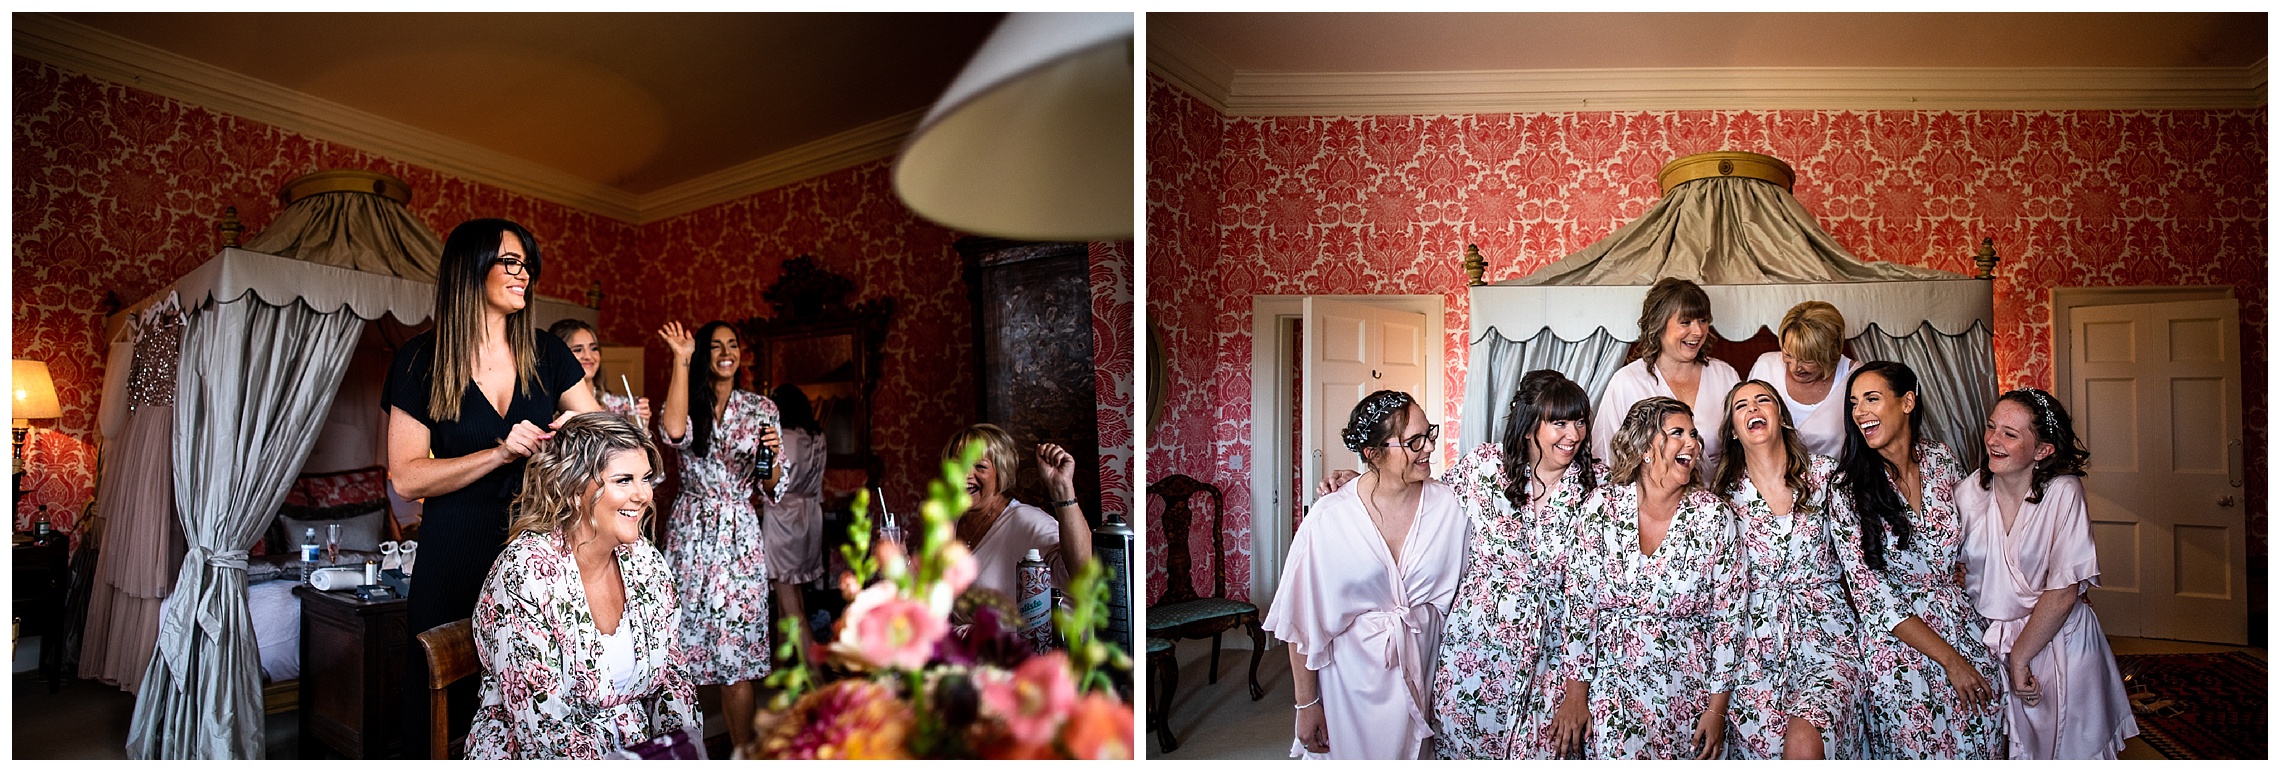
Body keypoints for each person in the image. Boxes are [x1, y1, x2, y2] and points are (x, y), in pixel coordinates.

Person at [386, 218, 602, 756]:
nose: (523, 273)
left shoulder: (548, 355)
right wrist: (499, 452)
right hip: (451, 555)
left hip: (537, 559)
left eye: (527, 263)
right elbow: (407, 476)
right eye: (510, 261)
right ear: (469, 268)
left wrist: (572, 436)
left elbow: (601, 437)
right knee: (441, 701)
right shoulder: (419, 360)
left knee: (531, 702)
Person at [466, 412, 699, 759]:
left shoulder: (646, 562)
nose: (643, 495)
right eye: (623, 480)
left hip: (639, 754)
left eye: (645, 478)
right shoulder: (524, 575)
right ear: (576, 490)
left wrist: (680, 753)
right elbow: (542, 726)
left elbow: (673, 678)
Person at [1265, 390, 1472, 759]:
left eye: (1430, 434)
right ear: (1372, 453)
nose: (1428, 449)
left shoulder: (1451, 506)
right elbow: (1300, 622)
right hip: (1350, 683)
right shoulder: (1329, 518)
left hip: (1424, 673)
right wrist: (1305, 704)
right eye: (1413, 441)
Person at [1830, 360, 2004, 759]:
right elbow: (1873, 596)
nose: (1859, 412)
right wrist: (1950, 660)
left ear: (1907, 401)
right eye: (1854, 403)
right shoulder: (1847, 488)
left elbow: (1971, 532)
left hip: (1963, 620)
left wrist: (1961, 567)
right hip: (1899, 643)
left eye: (1872, 399)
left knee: (1986, 724)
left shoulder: (1941, 461)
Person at [1431, 370, 1602, 759]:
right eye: (1558, 422)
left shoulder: (1598, 488)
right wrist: (1360, 481)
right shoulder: (1483, 468)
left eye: (1578, 421)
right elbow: (1423, 504)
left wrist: (1577, 691)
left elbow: (1594, 592)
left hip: (1556, 657)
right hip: (1478, 647)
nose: (1573, 434)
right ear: (1528, 427)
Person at [1958, 388, 2137, 759]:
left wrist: (2021, 657)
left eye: (2010, 433)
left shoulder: (2063, 492)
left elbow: (2063, 590)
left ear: (2043, 450)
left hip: (2058, 640)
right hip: (1988, 640)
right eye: (1992, 427)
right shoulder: (1968, 491)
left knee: (2063, 750)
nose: (1993, 439)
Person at [1560, 396, 1740, 759]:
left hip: (1687, 691)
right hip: (1611, 690)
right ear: (1644, 447)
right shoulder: (1601, 509)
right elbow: (1580, 607)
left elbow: (1729, 618)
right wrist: (1575, 694)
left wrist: (1717, 708)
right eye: (1677, 433)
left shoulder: (1714, 517)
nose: (1692, 442)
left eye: (1693, 434)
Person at [1711, 380, 1865, 759]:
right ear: (1733, 430)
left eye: (1763, 400)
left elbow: (1863, 559)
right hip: (1754, 651)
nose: (1753, 408)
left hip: (1827, 640)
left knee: (1804, 743)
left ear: (1781, 416)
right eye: (1741, 406)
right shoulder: (1719, 500)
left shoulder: (1827, 477)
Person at [657, 320, 785, 751]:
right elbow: (673, 434)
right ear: (704, 355)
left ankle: (743, 753)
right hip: (691, 532)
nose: (726, 352)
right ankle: (682, 753)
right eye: (716, 346)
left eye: (732, 345)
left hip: (739, 538)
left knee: (738, 658)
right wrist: (680, 358)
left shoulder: (762, 409)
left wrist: (776, 461)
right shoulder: (689, 401)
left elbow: (771, 488)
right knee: (680, 652)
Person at [1593, 277, 1741, 473]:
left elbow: (1746, 449)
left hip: (1719, 499)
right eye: (1685, 322)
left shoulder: (1725, 376)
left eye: (1703, 321)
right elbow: (1605, 459)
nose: (1697, 331)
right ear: (1659, 324)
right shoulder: (1626, 382)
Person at [945, 423, 1092, 602]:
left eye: (979, 466)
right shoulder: (950, 523)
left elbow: (1082, 573)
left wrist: (1062, 488)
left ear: (1001, 471)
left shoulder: (1026, 520)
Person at [761, 384, 828, 646]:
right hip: (810, 516)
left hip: (783, 518)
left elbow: (775, 482)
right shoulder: (817, 435)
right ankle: (780, 667)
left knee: (792, 607)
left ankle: (817, 677)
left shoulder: (783, 437)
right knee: (792, 595)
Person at [1744, 301, 1854, 457]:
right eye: (1788, 354)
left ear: (1830, 354)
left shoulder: (1855, 377)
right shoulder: (1765, 366)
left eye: (1807, 359)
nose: (1795, 367)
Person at [548, 317, 651, 425]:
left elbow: (640, 441)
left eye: (594, 348)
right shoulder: (546, 407)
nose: (588, 356)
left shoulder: (621, 407)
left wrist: (640, 423)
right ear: (559, 357)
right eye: (578, 350)